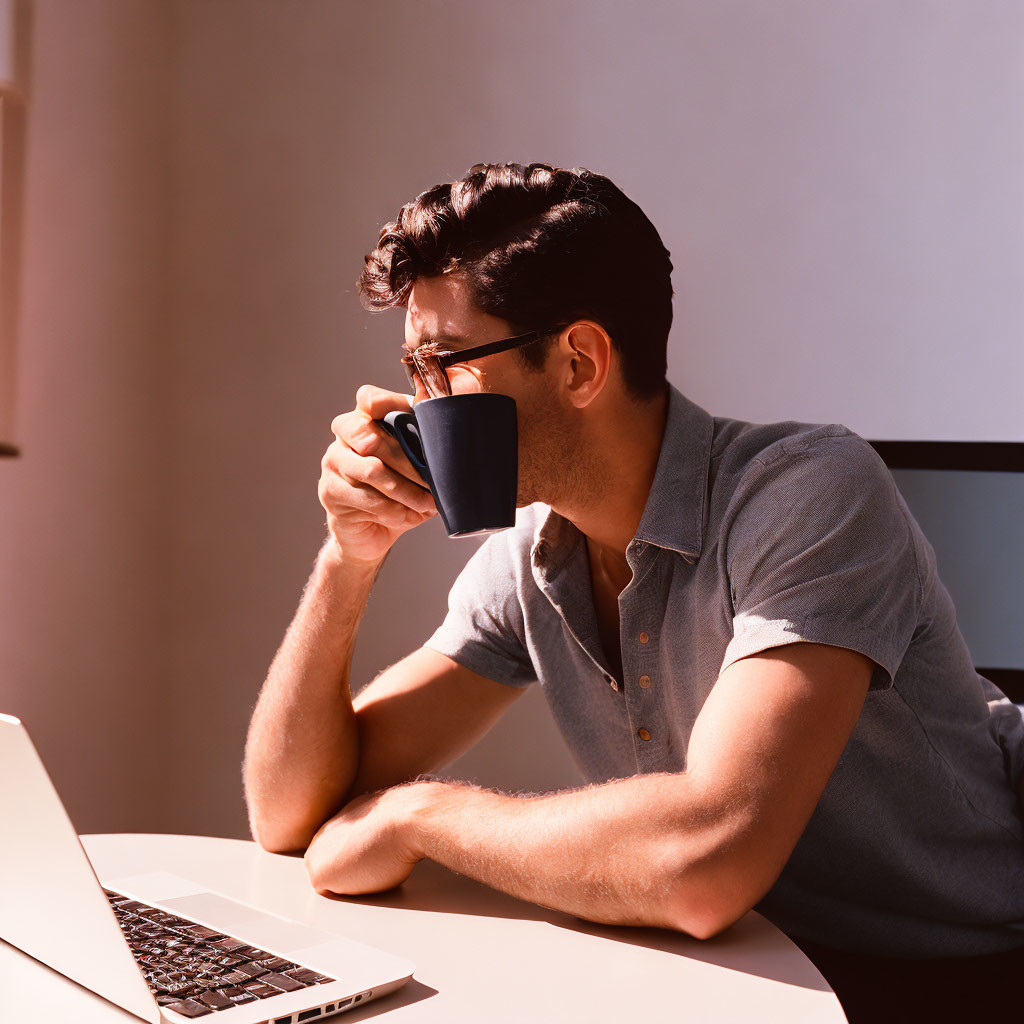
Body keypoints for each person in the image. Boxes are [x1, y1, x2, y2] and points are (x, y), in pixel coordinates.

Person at [243, 162, 1024, 1021]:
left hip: (958, 977)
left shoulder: (811, 491)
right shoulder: (535, 553)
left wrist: (421, 817)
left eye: (442, 363)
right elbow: (289, 813)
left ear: (579, 363)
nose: (414, 406)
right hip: (737, 975)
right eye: (412, 366)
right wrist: (348, 557)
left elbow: (707, 864)